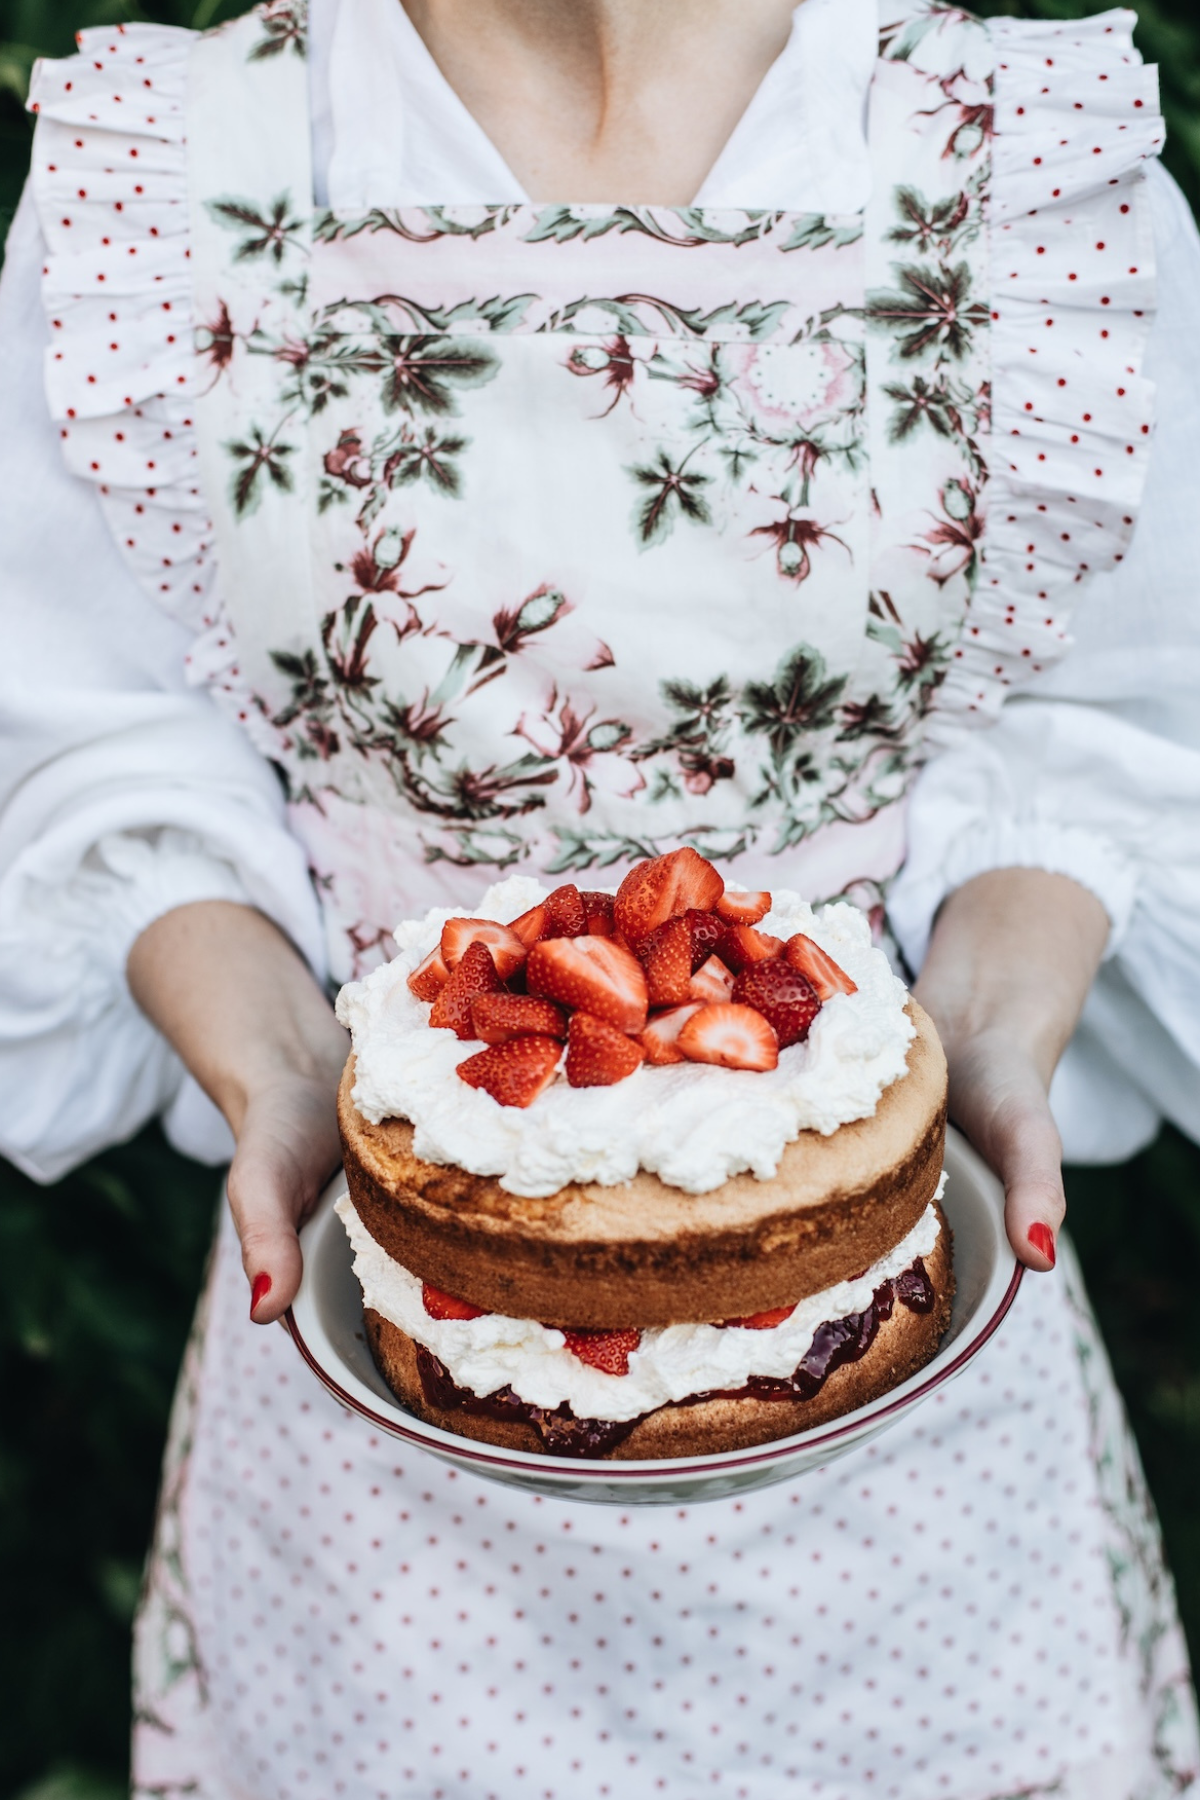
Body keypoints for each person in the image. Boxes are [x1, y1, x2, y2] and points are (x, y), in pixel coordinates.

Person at [2, 0, 1199, 1792]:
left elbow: (1106, 728)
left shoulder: (1026, 171)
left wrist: (990, 1039)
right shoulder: (169, 173)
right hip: (378, 1433)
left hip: (913, 1435)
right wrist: (269, 1068)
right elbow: (101, 749)